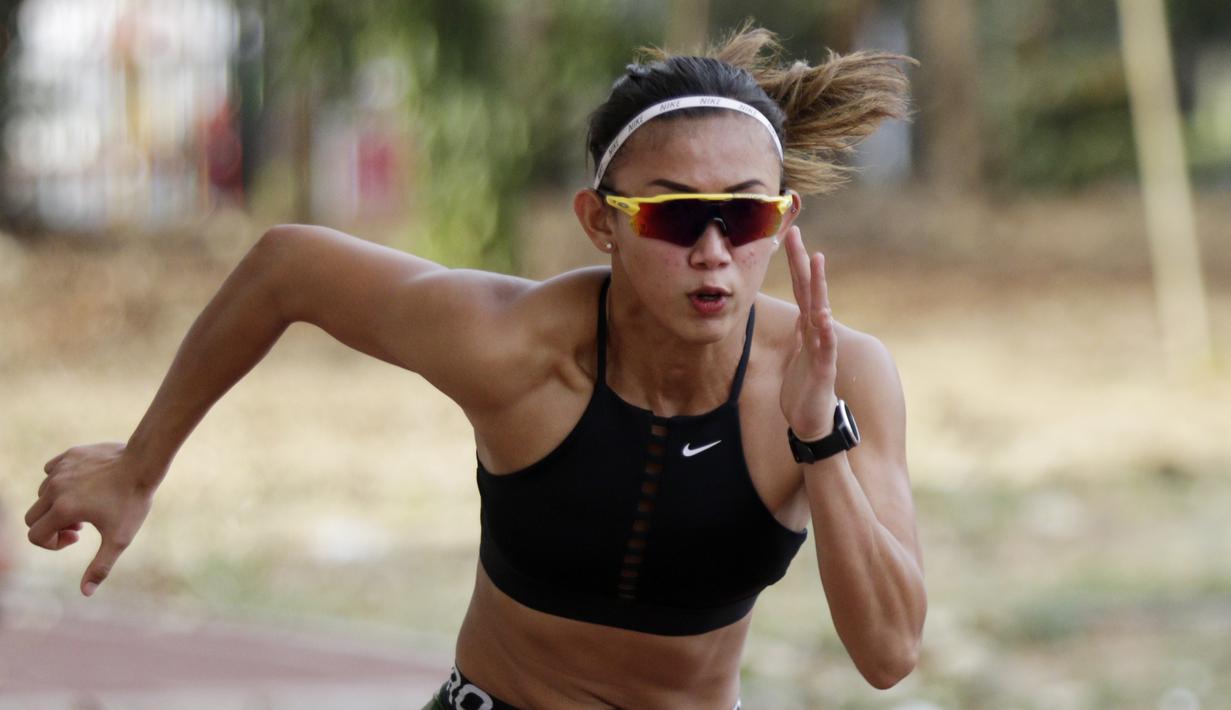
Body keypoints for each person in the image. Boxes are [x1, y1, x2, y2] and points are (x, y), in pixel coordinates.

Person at [25, 26, 926, 709]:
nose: (714, 251)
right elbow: (285, 266)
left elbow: (888, 655)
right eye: (672, 215)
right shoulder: (514, 345)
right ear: (599, 222)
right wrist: (138, 466)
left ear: (784, 217)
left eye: (747, 215)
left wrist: (819, 439)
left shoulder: (837, 374)